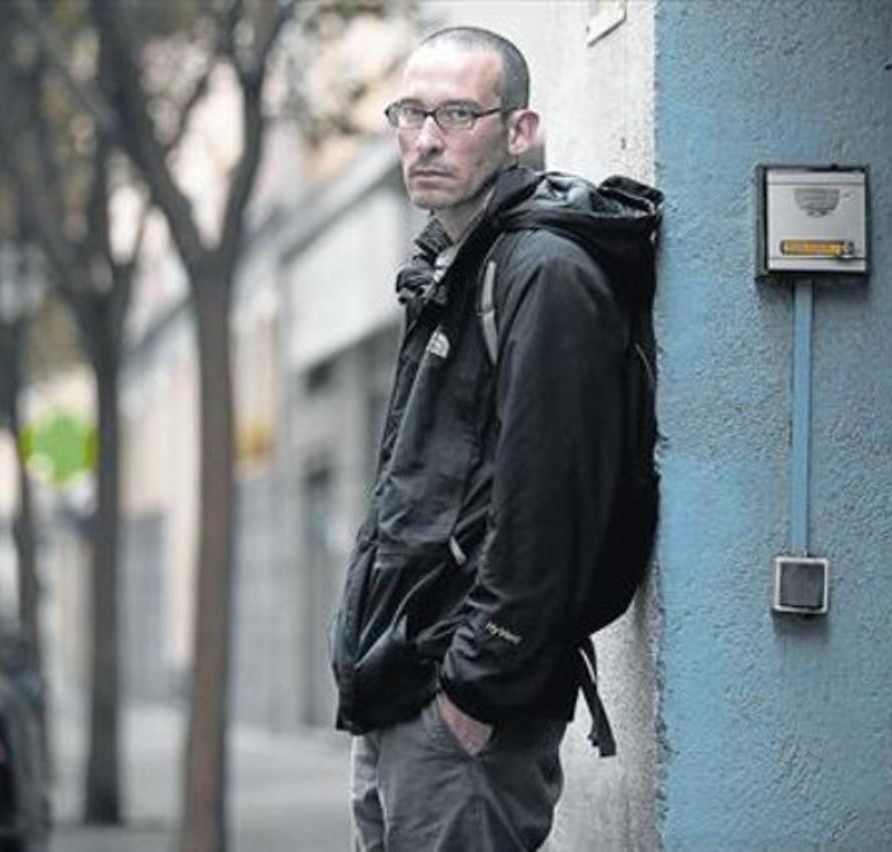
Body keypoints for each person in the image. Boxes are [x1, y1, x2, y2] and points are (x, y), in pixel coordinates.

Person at [329, 25, 659, 851]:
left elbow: (548, 510)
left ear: (519, 132)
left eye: (458, 114)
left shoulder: (544, 274)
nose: (428, 137)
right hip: (404, 688)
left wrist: (473, 696)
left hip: (466, 713)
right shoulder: (460, 264)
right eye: (411, 114)